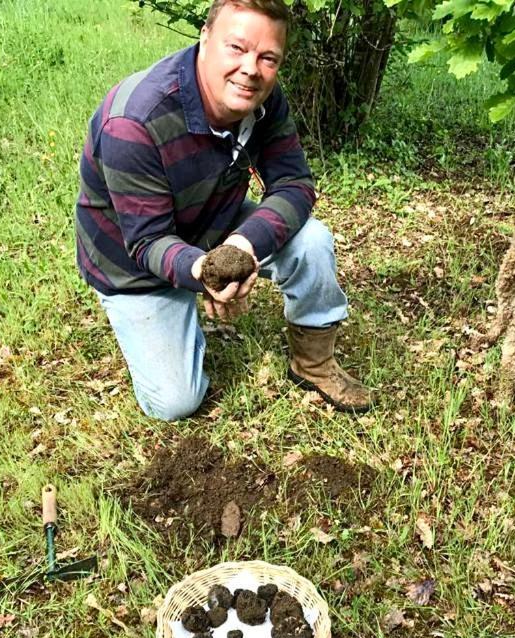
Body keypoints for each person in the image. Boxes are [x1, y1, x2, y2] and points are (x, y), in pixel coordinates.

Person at [74, 0, 373, 421]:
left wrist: (242, 245)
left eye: (268, 57)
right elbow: (146, 240)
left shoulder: (262, 99)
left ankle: (313, 363)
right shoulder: (134, 121)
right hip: (133, 260)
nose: (251, 68)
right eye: (236, 47)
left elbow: (294, 184)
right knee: (175, 403)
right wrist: (203, 272)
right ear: (205, 39)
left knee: (313, 240)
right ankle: (169, 320)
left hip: (212, 220)